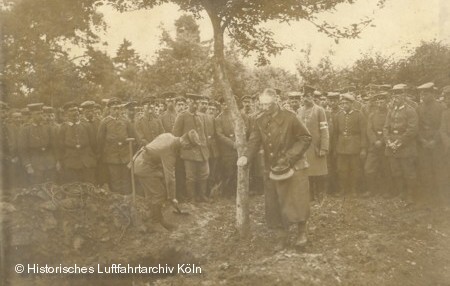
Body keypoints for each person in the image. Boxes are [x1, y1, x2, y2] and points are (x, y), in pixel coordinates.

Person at [237, 88, 312, 248]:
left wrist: (289, 157)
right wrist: (246, 156)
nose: (264, 108)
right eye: (262, 104)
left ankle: (301, 233)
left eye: (268, 105)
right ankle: (281, 235)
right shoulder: (259, 119)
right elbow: (254, 141)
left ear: (276, 100)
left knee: (297, 200)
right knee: (273, 202)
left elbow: (305, 138)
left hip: (293, 164)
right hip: (272, 166)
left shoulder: (290, 117)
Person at [132, 130, 201, 230]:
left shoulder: (169, 135)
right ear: (185, 142)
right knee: (159, 194)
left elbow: (154, 148)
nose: (187, 149)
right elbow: (170, 178)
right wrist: (172, 197)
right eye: (188, 147)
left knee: (152, 193)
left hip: (143, 162)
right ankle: (157, 221)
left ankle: (151, 216)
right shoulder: (169, 152)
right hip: (144, 166)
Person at [172, 93, 210, 202]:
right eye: (193, 103)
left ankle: (202, 195)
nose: (195, 105)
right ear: (189, 103)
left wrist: (205, 147)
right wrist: (185, 144)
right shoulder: (182, 116)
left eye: (197, 103)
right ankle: (192, 198)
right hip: (189, 151)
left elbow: (205, 134)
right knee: (191, 176)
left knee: (204, 174)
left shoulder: (201, 116)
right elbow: (176, 135)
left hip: (202, 151)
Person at [383, 88, 418, 203]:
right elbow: (386, 127)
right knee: (396, 170)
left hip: (405, 145)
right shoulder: (391, 110)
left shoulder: (410, 111)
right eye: (394, 96)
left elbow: (412, 130)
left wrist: (399, 142)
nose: (396, 98)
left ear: (404, 96)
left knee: (408, 171)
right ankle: (401, 193)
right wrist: (388, 141)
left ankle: (410, 195)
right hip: (392, 145)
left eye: (398, 95)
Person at [97, 98, 137, 194]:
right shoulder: (104, 122)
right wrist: (102, 155)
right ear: (109, 109)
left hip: (125, 156)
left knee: (126, 179)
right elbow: (100, 140)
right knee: (115, 179)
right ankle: (117, 201)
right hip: (112, 156)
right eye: (114, 108)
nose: (116, 111)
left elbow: (133, 136)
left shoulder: (126, 121)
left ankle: (126, 200)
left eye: (118, 108)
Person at [297, 89, 329, 203]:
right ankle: (309, 196)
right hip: (303, 149)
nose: (306, 99)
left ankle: (321, 196)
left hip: (316, 147)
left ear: (313, 97)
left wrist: (324, 147)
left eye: (309, 96)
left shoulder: (320, 110)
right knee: (307, 172)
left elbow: (324, 130)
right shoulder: (299, 111)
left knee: (319, 173)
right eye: (304, 96)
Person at [416, 82, 445, 202]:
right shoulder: (419, 107)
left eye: (426, 93)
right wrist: (422, 140)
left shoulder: (441, 107)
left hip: (437, 143)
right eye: (422, 93)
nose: (423, 96)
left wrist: (434, 141)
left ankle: (441, 197)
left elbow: (442, 127)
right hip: (423, 143)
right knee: (424, 169)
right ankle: (427, 197)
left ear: (432, 93)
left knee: (438, 169)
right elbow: (416, 126)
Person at [334, 93, 367, 196]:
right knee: (341, 169)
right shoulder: (338, 115)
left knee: (355, 169)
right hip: (341, 146)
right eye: (343, 103)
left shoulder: (359, 114)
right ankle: (343, 189)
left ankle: (354, 190)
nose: (344, 105)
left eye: (347, 103)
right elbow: (335, 133)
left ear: (352, 104)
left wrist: (363, 148)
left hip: (354, 145)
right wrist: (335, 147)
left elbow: (363, 132)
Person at [18, 103, 58, 185]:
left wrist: (57, 161)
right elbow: (22, 149)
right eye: (37, 114)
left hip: (50, 163)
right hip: (35, 164)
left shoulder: (48, 127)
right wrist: (28, 165)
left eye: (41, 113)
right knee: (37, 188)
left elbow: (54, 146)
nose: (40, 116)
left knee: (52, 187)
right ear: (32, 115)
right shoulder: (25, 129)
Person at [363, 92, 391, 197]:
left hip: (386, 145)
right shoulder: (372, 115)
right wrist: (375, 141)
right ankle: (372, 190)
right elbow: (369, 130)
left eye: (382, 101)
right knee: (368, 168)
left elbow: (390, 129)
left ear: (386, 102)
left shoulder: (390, 113)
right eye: (378, 102)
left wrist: (382, 141)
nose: (380, 103)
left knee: (386, 169)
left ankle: (387, 191)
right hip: (374, 146)